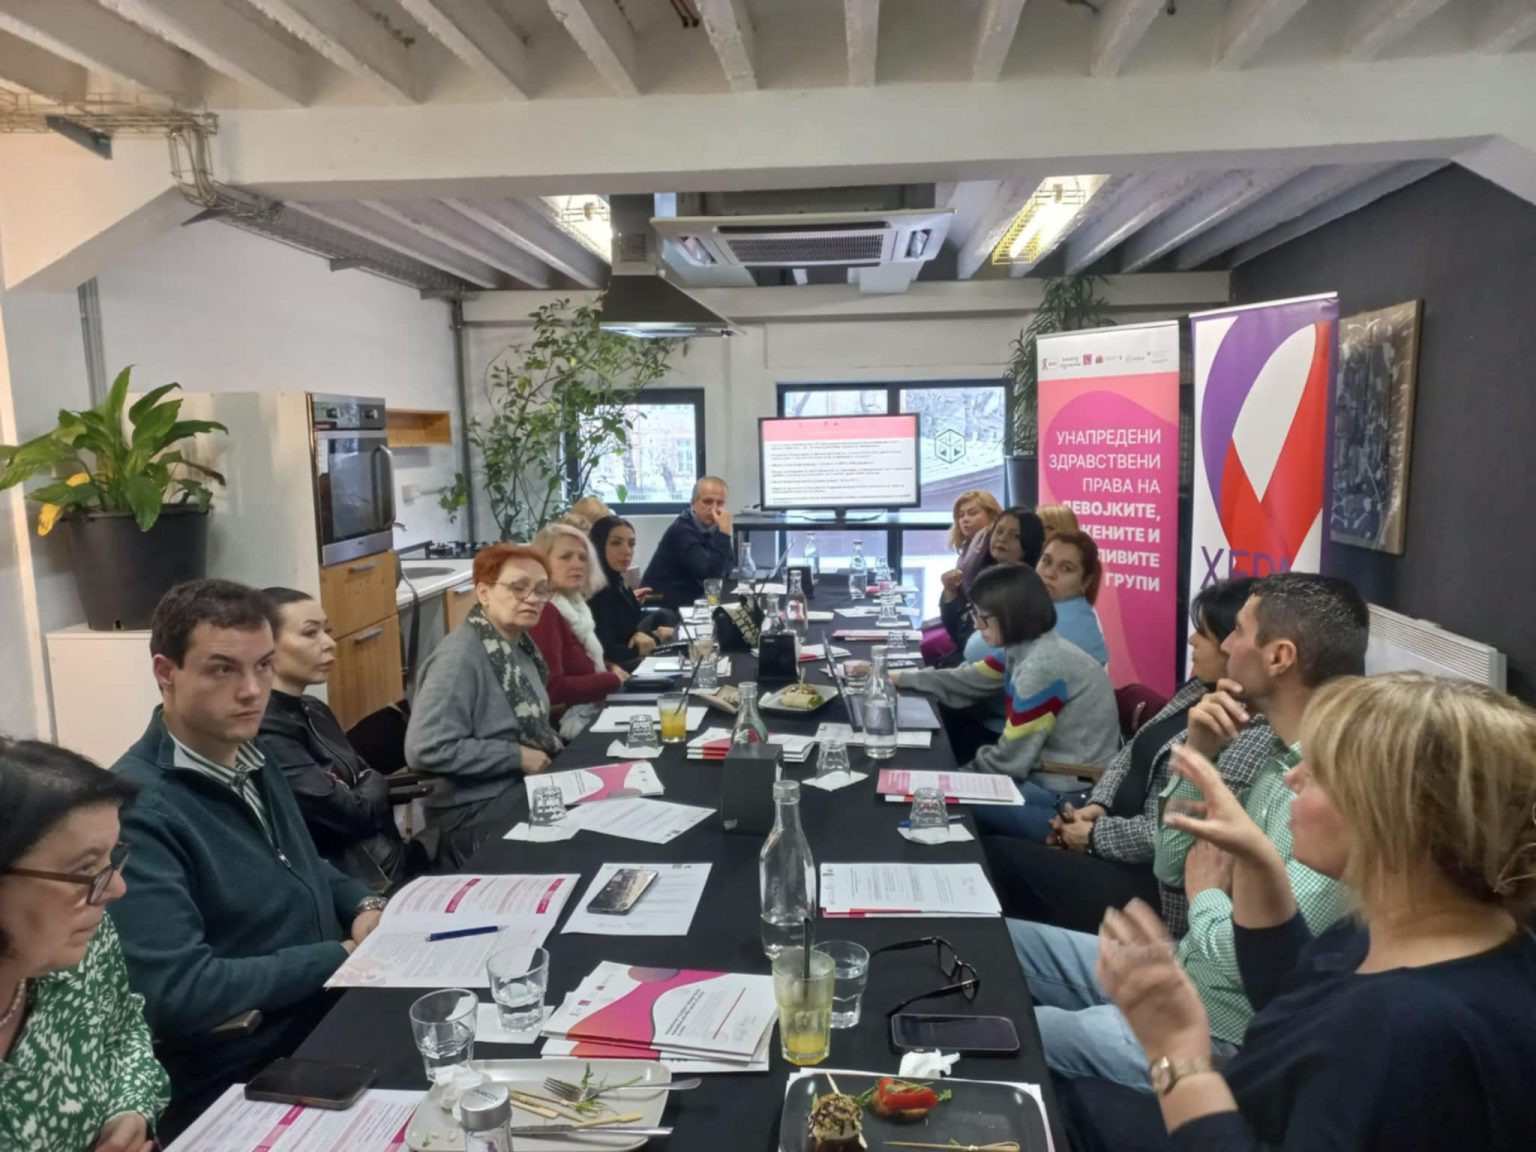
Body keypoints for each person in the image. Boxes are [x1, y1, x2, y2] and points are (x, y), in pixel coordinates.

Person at [1064, 673, 1536, 1152]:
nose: (1294, 777)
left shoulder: (1403, 1028)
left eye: (1321, 772)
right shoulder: (1425, 925)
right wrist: (1257, 861)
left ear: (1391, 817)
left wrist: (1177, 1053)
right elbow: (1291, 993)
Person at [1008, 572, 1367, 1090]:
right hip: (1185, 969)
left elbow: (1262, 961)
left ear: (1279, 657)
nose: (1226, 644)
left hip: (1220, 1032)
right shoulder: (1268, 745)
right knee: (1000, 943)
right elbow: (1172, 863)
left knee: (1005, 1034)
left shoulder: (1326, 790)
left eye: (1238, 631)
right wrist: (1198, 753)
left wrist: (1206, 898)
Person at [109, 580, 382, 1125]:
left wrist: (363, 905)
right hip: (251, 1065)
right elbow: (180, 991)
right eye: (222, 670)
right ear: (166, 672)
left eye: (263, 666)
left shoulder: (250, 754)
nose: (253, 691)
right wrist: (340, 956)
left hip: (327, 1010)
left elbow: (302, 866)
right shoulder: (138, 808)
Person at [981, 578, 1256, 935]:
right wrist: (1099, 806)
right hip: (1099, 819)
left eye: (1202, 633)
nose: (1191, 641)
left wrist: (1093, 836)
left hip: (1149, 884)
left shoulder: (1243, 729)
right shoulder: (1197, 690)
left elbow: (1171, 833)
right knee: (987, 834)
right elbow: (1129, 753)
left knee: (995, 857)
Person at [0, 739, 169, 1152]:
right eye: (84, 868)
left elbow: (124, 1029)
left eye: (111, 859)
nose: (116, 888)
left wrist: (130, 1108)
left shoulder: (85, 943)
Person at [897, 564, 1120, 842]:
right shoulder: (1024, 648)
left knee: (932, 802)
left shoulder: (1041, 665)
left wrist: (950, 780)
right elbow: (965, 680)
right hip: (1045, 782)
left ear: (1011, 614)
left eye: (982, 617)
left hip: (1067, 801)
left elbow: (1011, 759)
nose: (976, 625)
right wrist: (898, 678)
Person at [405, 543, 564, 868]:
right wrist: (516, 756)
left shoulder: (518, 647)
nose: (532, 598)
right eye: (519, 587)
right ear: (484, 593)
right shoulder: (459, 658)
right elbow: (426, 748)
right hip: (469, 811)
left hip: (510, 789)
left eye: (541, 590)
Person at [259, 587, 417, 894]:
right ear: (264, 647)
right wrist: (367, 783)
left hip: (390, 856)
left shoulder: (314, 708)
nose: (329, 643)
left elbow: (363, 779)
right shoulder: (267, 729)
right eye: (310, 633)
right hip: (361, 885)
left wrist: (362, 784)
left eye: (327, 631)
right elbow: (349, 813)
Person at [528, 523, 625, 740]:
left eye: (583, 558)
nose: (577, 564)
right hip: (565, 726)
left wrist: (610, 667)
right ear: (541, 564)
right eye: (566, 557)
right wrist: (610, 680)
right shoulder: (546, 611)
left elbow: (578, 659)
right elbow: (552, 688)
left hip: (591, 707)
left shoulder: (575, 604)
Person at [937, 506, 1046, 659]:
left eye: (1015, 536)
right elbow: (958, 629)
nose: (1002, 539)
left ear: (1029, 543)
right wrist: (950, 592)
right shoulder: (985, 572)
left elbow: (971, 643)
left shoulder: (1023, 589)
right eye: (999, 531)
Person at [922, 490, 1004, 665]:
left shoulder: (992, 550)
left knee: (925, 644)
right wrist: (949, 591)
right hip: (962, 627)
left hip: (975, 634)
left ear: (991, 515)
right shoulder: (970, 549)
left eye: (973, 513)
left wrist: (950, 593)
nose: (965, 519)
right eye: (961, 515)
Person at [589, 515, 676, 671]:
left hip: (629, 650)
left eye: (631, 544)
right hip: (615, 667)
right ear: (598, 545)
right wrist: (656, 638)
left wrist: (641, 634)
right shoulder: (595, 589)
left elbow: (625, 630)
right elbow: (607, 652)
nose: (627, 551)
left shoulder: (616, 578)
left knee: (665, 616)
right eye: (616, 543)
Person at [640, 476, 734, 609]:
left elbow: (728, 566)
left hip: (690, 599)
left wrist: (722, 534)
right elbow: (710, 575)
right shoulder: (681, 530)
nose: (714, 508)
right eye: (707, 502)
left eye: (720, 503)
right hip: (661, 605)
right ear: (693, 504)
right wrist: (724, 534)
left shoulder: (713, 528)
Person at [1037, 530, 1108, 665]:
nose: (1050, 573)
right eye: (1046, 561)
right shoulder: (1051, 607)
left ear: (1085, 582)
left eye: (1066, 568)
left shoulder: (1065, 624)